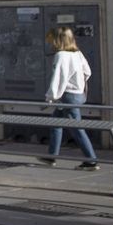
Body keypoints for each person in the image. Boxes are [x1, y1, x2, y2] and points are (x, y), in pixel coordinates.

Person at [39, 26, 97, 170]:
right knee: (56, 123)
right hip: (78, 94)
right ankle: (51, 156)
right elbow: (87, 71)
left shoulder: (61, 56)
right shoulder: (77, 53)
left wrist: (50, 97)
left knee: (77, 128)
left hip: (68, 96)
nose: (51, 42)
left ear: (58, 40)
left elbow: (58, 78)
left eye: (52, 39)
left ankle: (91, 161)